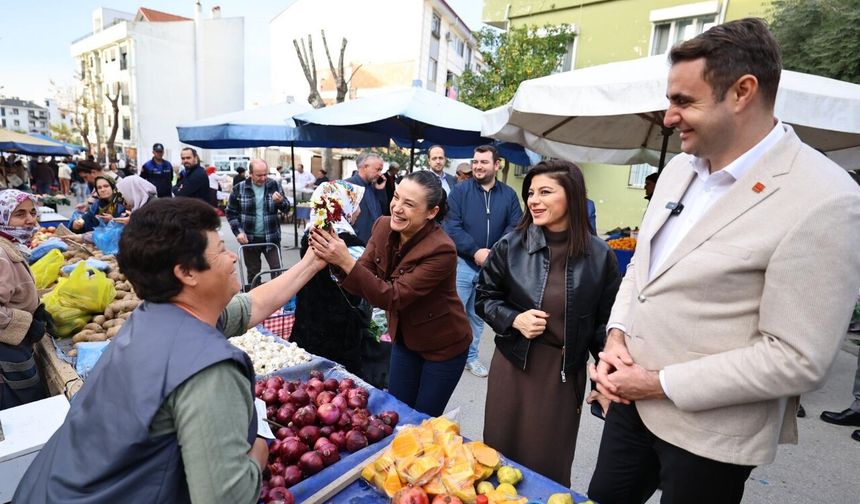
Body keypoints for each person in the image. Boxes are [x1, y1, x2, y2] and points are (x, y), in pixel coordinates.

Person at [587, 19, 860, 504]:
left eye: (684, 101)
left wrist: (656, 383)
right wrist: (615, 338)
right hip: (630, 403)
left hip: (712, 434)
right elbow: (642, 272)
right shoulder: (676, 170)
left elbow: (797, 358)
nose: (669, 117)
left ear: (743, 91)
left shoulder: (827, 198)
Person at [14, 197, 326, 503]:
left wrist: (313, 260)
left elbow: (252, 305)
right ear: (186, 273)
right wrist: (259, 444)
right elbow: (226, 497)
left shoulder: (155, 315)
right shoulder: (208, 369)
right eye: (220, 250)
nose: (233, 258)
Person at [476, 160, 621, 485]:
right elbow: (484, 298)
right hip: (512, 366)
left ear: (571, 195)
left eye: (545, 191)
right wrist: (514, 319)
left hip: (562, 376)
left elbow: (606, 328)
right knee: (499, 460)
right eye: (530, 192)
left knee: (547, 467)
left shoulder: (601, 256)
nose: (534, 200)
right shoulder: (510, 246)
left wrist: (605, 382)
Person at [310, 170, 470, 416]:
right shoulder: (383, 226)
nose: (396, 207)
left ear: (432, 212)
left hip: (443, 347)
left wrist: (346, 262)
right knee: (395, 411)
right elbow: (360, 276)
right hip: (405, 339)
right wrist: (338, 261)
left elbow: (393, 297)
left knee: (422, 419)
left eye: (409, 204)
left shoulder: (442, 250)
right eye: (396, 197)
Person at [445, 144, 523, 377]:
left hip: (492, 267)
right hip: (463, 264)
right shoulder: (460, 192)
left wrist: (494, 252)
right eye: (475, 162)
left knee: (478, 316)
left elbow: (515, 226)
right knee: (454, 312)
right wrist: (475, 251)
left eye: (483, 162)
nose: (477, 166)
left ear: (496, 165)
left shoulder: (508, 195)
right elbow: (451, 226)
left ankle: (471, 357)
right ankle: (448, 357)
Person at [292, 180, 369, 376]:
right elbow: (366, 285)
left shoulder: (311, 234)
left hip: (308, 322)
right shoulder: (349, 244)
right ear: (343, 205)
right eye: (356, 203)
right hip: (341, 333)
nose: (358, 210)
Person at [0, 190, 51, 410]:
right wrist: (25, 321)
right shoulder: (1, 255)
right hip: (6, 349)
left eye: (32, 212)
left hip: (14, 343)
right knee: (20, 408)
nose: (30, 219)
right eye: (19, 214)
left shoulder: (11, 246)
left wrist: (34, 308)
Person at [226, 159, 290, 287]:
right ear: (250, 173)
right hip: (249, 239)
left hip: (271, 237)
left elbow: (287, 208)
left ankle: (278, 303)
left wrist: (280, 202)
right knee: (253, 273)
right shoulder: (239, 188)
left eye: (265, 174)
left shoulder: (274, 185)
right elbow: (231, 212)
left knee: (277, 271)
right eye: (259, 175)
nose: (263, 178)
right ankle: (254, 302)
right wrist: (238, 232)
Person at [345, 152, 387, 243]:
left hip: (373, 241)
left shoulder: (374, 186)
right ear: (365, 167)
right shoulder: (347, 186)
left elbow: (384, 211)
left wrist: (380, 190)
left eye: (381, 170)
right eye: (377, 169)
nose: (380, 174)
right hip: (356, 242)